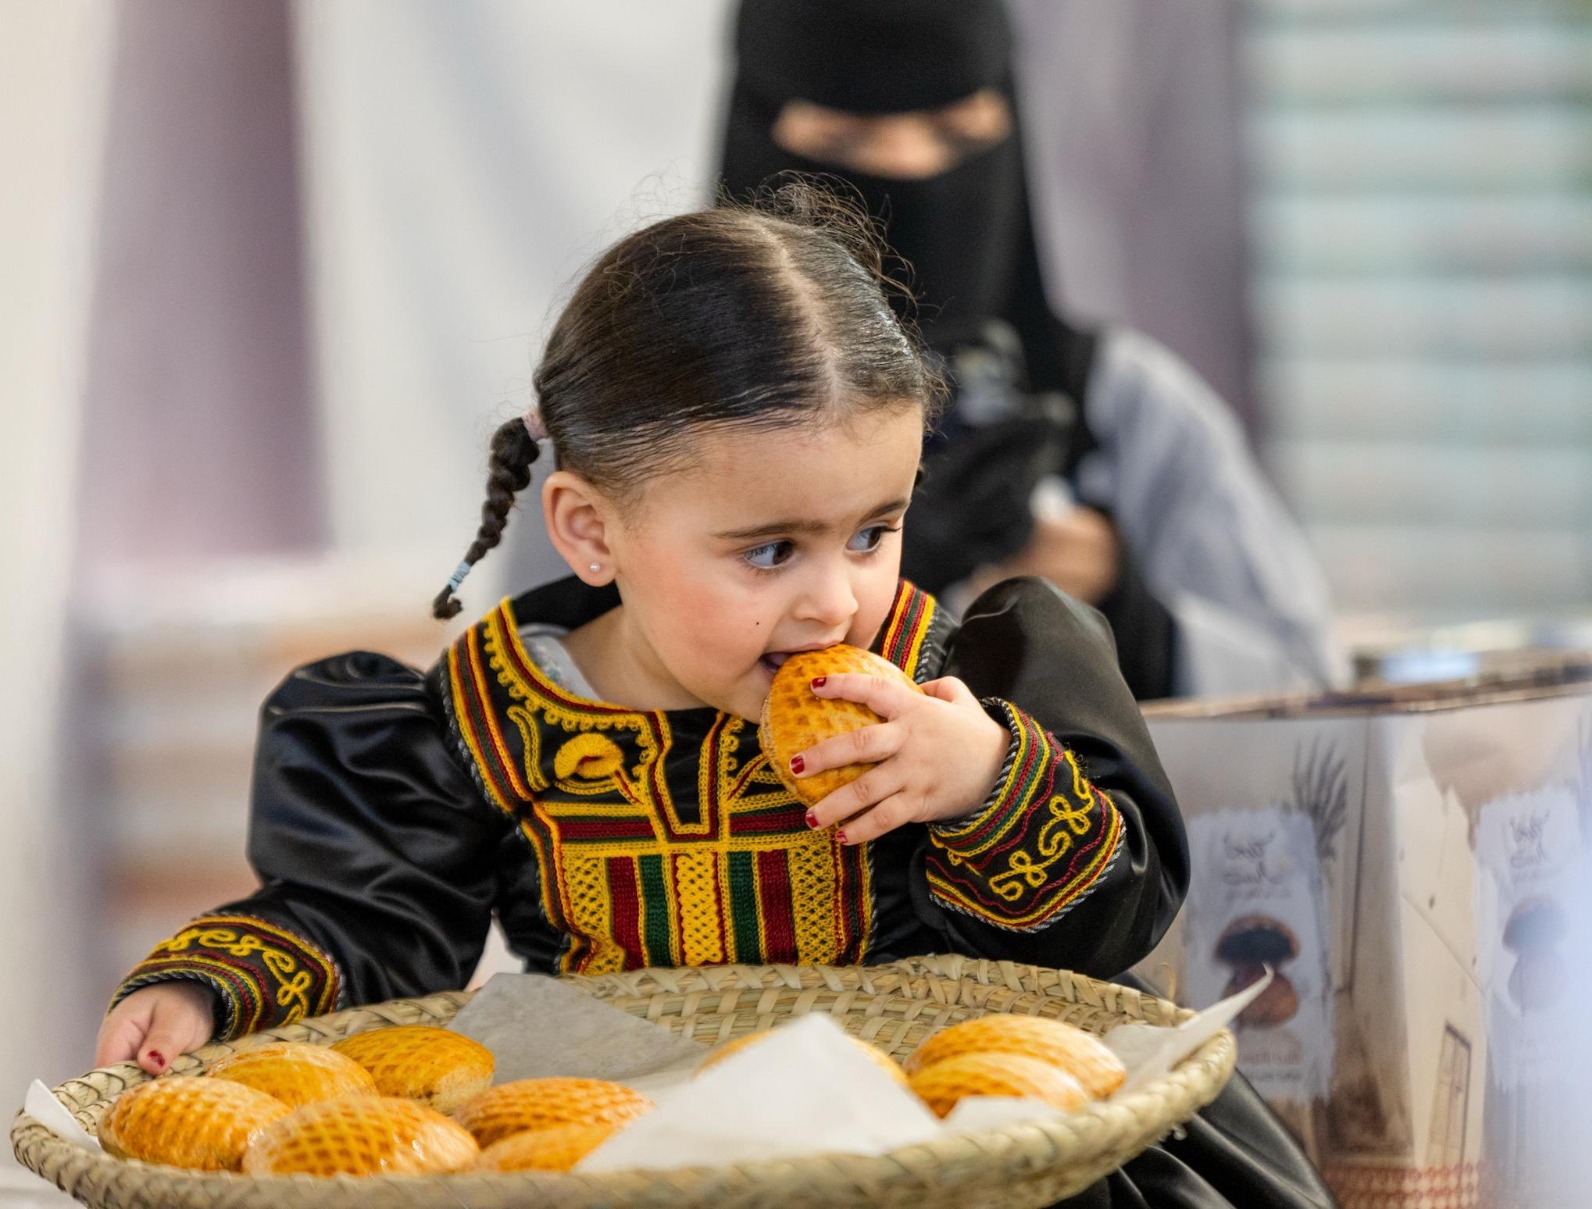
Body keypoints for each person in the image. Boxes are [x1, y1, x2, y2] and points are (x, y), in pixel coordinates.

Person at [95, 189, 1329, 1207]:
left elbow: (1097, 949)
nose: (835, 603)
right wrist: (208, 991)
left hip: (948, 1160)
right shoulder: (487, 715)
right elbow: (371, 929)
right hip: (635, 1159)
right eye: (769, 550)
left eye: (873, 531)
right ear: (591, 531)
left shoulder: (956, 681)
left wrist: (985, 785)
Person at [720, 0, 1347, 700]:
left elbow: (1315, 703)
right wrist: (879, 573)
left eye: (958, 136)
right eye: (843, 142)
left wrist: (1122, 609)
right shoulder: (659, 411)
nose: (910, 170)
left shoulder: (1118, 406)